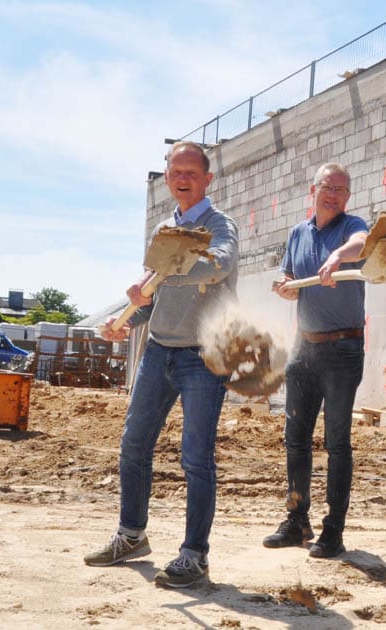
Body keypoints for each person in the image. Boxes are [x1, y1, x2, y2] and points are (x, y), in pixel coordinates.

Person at [84, 141, 239, 588]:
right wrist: (126, 321)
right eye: (176, 171)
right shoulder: (164, 228)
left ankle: (195, 556)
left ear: (207, 179)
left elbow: (218, 268)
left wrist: (161, 279)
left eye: (192, 172)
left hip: (205, 357)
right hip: (158, 351)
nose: (184, 178)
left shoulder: (218, 225)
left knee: (195, 459)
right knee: (133, 444)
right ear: (168, 177)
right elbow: (156, 298)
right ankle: (131, 535)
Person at [262, 163, 369, 559]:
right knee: (296, 439)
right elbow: (291, 283)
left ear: (348, 197)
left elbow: (363, 242)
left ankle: (333, 531)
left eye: (342, 189)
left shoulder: (352, 227)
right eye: (328, 186)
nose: (334, 194)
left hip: (343, 350)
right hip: (303, 348)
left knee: (338, 442)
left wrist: (339, 257)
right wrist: (286, 289)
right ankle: (296, 520)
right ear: (314, 190)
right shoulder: (298, 233)